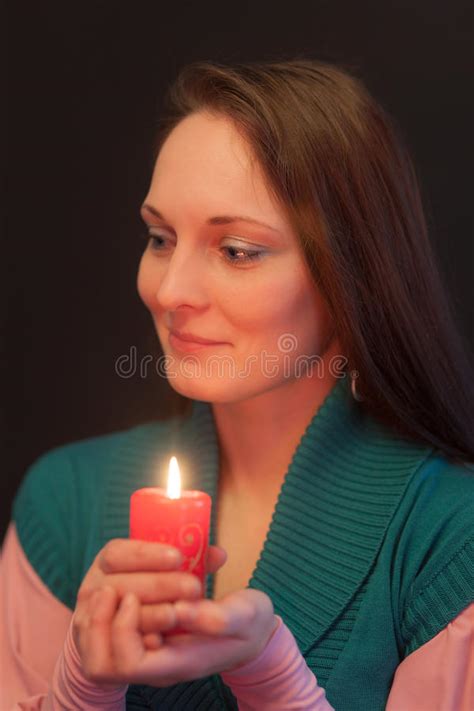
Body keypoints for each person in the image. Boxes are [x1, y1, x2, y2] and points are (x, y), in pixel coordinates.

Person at [1, 58, 473, 711]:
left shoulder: (450, 537)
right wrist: (82, 685)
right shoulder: (64, 502)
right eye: (161, 237)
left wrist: (269, 674)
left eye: (237, 251)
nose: (170, 292)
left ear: (351, 275)